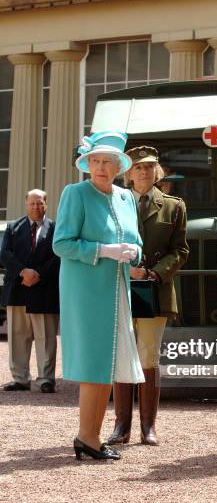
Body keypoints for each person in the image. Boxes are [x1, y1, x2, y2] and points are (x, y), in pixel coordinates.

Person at [53, 131, 144, 461]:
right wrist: (103, 250)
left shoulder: (125, 198)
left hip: (118, 290)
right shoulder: (75, 193)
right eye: (95, 161)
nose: (101, 167)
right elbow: (61, 243)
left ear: (119, 165)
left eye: (107, 161)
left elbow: (136, 244)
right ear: (87, 163)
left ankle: (89, 437)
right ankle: (87, 437)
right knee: (95, 363)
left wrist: (134, 252)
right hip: (87, 292)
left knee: (109, 364)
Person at [108, 146, 188, 446]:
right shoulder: (114, 203)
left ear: (157, 171)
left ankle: (148, 427)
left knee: (148, 357)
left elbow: (180, 250)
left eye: (149, 167)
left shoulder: (173, 206)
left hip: (155, 290)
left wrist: (152, 272)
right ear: (128, 172)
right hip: (121, 289)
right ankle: (121, 426)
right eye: (138, 167)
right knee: (123, 357)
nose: (143, 172)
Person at [1, 189, 60, 393]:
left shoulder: (56, 228)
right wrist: (23, 272)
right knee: (17, 336)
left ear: (46, 204)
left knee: (46, 337)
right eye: (32, 203)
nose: (36, 207)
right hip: (18, 289)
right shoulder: (13, 227)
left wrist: (37, 275)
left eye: (40, 203)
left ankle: (46, 379)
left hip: (45, 289)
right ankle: (20, 378)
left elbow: (59, 256)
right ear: (26, 204)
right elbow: (5, 254)